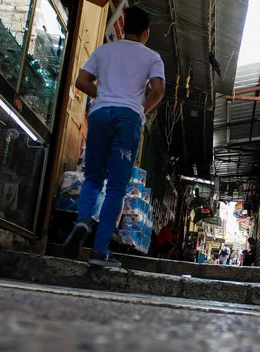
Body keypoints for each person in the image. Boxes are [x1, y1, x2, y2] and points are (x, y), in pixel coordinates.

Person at [64, 6, 165, 268]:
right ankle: (99, 250)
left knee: (93, 177)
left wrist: (105, 95)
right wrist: (140, 109)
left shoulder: (103, 50)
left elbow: (81, 82)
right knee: (117, 186)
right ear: (146, 33)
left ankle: (84, 219)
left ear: (122, 27)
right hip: (128, 119)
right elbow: (158, 89)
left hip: (99, 115)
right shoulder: (152, 57)